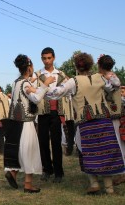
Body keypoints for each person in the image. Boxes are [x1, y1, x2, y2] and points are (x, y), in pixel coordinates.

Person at [46, 52, 125, 194]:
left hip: (86, 122)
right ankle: (109, 188)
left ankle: (94, 184)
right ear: (90, 64)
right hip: (103, 120)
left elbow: (54, 93)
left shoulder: (73, 81)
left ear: (76, 66)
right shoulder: (99, 77)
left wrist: (43, 87)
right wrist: (108, 74)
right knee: (105, 152)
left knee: (88, 152)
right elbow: (116, 85)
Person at [3, 54, 55, 193]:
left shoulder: (16, 82)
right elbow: (37, 98)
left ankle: (13, 172)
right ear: (29, 67)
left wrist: (32, 84)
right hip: (25, 123)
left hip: (14, 122)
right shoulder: (25, 84)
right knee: (29, 151)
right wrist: (46, 83)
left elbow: (27, 91)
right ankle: (28, 184)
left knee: (18, 149)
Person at [32, 47, 67, 183]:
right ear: (41, 59)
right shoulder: (37, 74)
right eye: (44, 58)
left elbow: (67, 90)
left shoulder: (62, 74)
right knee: (43, 142)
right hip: (42, 112)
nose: (47, 61)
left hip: (57, 112)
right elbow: (34, 91)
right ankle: (47, 169)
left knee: (56, 142)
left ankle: (58, 172)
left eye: (49, 58)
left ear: (54, 58)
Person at [97, 54, 125, 185]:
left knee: (117, 143)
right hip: (111, 115)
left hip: (112, 115)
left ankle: (121, 172)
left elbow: (111, 86)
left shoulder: (111, 78)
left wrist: (105, 79)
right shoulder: (109, 77)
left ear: (100, 66)